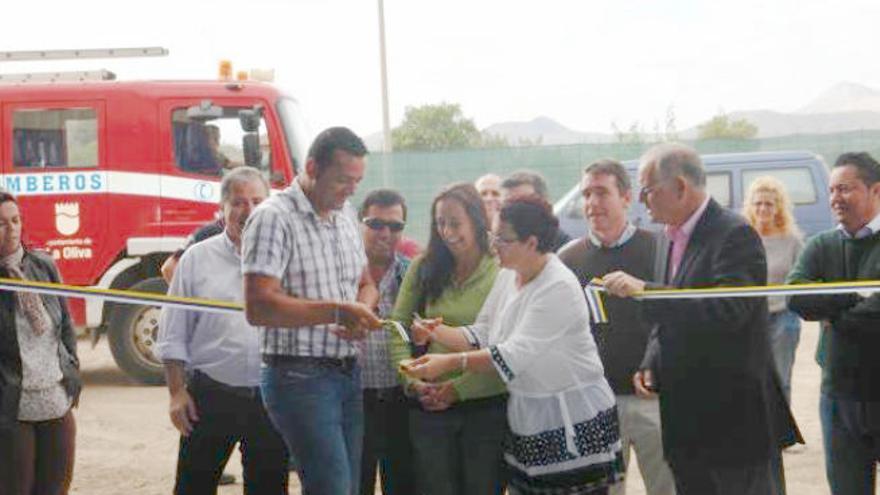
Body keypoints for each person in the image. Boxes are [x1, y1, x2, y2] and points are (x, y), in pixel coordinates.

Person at [602, 143, 801, 495]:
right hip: (686, 421)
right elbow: (670, 317)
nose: (643, 202)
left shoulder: (734, 235)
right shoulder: (669, 237)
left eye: (648, 191)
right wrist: (652, 360)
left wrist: (645, 291)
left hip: (734, 425)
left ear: (679, 187)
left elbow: (728, 312)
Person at [405, 195, 624, 495]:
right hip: (529, 413)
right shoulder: (510, 273)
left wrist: (448, 363)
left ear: (531, 243)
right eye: (493, 235)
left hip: (570, 416)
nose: (493, 245)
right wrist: (437, 333)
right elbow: (485, 331)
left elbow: (511, 356)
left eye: (503, 239)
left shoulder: (557, 285)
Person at [242, 126, 382, 495]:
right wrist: (337, 312)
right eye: (342, 180)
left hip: (348, 374)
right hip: (298, 377)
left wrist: (361, 313)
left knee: (349, 487)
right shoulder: (273, 217)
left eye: (357, 180)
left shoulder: (346, 213)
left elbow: (366, 284)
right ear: (312, 168)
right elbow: (258, 306)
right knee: (332, 488)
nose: (351, 190)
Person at [156, 168, 288, 494]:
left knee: (269, 488)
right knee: (193, 487)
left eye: (257, 201)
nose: (249, 211)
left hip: (271, 398)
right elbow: (173, 331)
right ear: (222, 209)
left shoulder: (288, 256)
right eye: (239, 202)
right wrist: (176, 392)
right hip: (210, 396)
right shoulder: (197, 259)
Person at [558, 159, 675, 495]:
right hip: (596, 403)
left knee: (667, 488)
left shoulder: (660, 249)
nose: (593, 203)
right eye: (586, 194)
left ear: (626, 197)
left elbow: (677, 314)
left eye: (602, 192)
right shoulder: (568, 260)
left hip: (653, 399)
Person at [387, 182, 507, 495]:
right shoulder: (423, 267)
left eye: (455, 223)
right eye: (440, 223)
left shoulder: (502, 269)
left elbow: (503, 346)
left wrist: (458, 389)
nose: (447, 232)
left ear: (478, 222)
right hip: (429, 409)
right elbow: (398, 328)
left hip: (486, 407)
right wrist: (413, 381)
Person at [787, 151, 880, 494]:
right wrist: (855, 297)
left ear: (876, 191)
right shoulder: (821, 245)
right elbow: (795, 296)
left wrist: (829, 313)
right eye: (831, 190)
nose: (835, 198)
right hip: (838, 395)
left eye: (846, 189)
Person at [0, 191, 80, 495]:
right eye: (2, 223)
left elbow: (66, 326)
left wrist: (72, 369)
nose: (12, 229)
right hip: (11, 408)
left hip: (56, 400)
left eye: (16, 220)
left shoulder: (43, 265)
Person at [357, 189, 416, 495]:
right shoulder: (341, 271)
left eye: (395, 226)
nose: (385, 233)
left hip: (400, 400)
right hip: (352, 399)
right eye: (376, 224)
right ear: (359, 224)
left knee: (404, 483)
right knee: (354, 484)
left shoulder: (413, 273)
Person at [742, 177, 803, 405]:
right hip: (751, 318)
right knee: (752, 377)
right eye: (758, 203)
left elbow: (803, 279)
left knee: (780, 379)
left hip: (784, 318)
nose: (763, 208)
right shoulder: (743, 238)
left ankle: (780, 436)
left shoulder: (792, 241)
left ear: (778, 207)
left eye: (769, 203)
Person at [500, 170, 571, 250]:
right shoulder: (496, 250)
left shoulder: (568, 254)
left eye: (522, 204)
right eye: (507, 205)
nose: (513, 211)